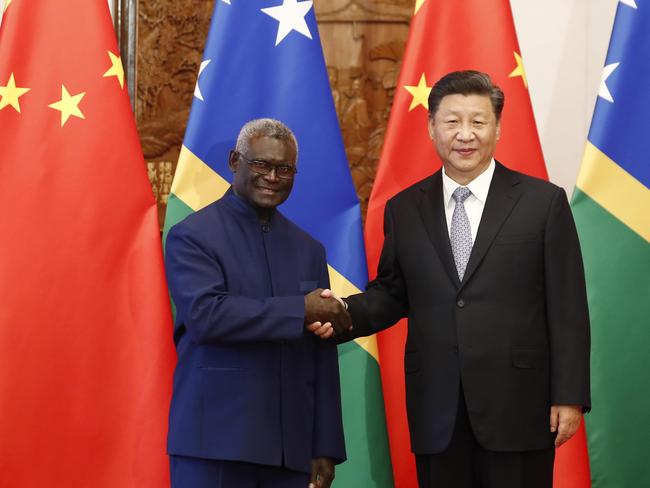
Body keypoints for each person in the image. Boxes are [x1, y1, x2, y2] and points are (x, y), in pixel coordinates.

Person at [323, 71, 591, 487]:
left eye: (478, 122)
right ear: (432, 128)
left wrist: (569, 395)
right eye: (452, 122)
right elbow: (392, 294)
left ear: (498, 129)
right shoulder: (405, 209)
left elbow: (568, 307)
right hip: (437, 406)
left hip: (519, 404)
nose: (465, 134)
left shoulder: (543, 203)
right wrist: (338, 313)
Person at [164, 118, 350, 488]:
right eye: (261, 164)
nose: (272, 176)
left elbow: (321, 353)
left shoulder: (308, 249)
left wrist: (325, 446)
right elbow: (207, 316)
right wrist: (302, 309)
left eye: (284, 168)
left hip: (289, 450)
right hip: (214, 445)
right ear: (236, 161)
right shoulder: (192, 237)